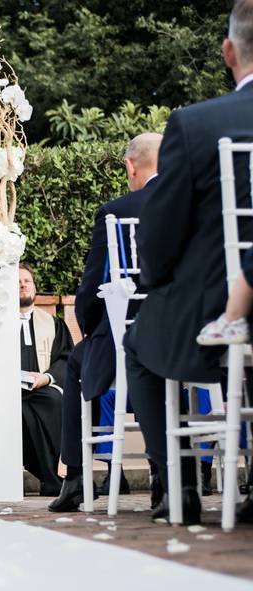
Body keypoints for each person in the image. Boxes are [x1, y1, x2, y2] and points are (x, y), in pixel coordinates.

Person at [123, 0, 253, 526]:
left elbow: (160, 232)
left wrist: (155, 281)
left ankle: (176, 483)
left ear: (228, 51)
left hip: (217, 307)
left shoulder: (197, 125)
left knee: (137, 343)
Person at [49, 133, 161, 512]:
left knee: (78, 360)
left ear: (130, 166)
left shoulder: (118, 211)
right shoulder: (195, 205)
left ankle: (77, 478)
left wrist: (94, 328)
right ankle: (170, 476)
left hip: (128, 341)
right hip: (187, 338)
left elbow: (93, 287)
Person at [17, 264, 73, 497]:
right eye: (17, 282)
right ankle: (49, 478)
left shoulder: (51, 322)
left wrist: (46, 377)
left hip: (43, 387)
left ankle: (57, 476)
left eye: (26, 281)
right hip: (9, 389)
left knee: (53, 400)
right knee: (19, 409)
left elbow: (66, 358)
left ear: (35, 286)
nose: (22, 285)